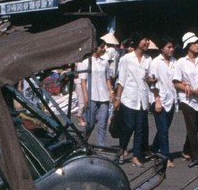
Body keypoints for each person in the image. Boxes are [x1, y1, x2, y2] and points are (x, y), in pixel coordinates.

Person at [113, 37, 152, 167]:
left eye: (148, 40)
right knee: (128, 126)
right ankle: (121, 150)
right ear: (137, 42)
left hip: (142, 98)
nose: (147, 42)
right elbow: (121, 80)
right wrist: (117, 98)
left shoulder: (148, 59)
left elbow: (149, 78)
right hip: (129, 98)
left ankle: (136, 156)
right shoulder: (126, 59)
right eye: (144, 40)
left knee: (140, 128)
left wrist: (152, 80)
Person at [174, 32, 198, 166]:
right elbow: (176, 82)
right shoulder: (181, 62)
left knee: (194, 126)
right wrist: (186, 88)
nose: (197, 45)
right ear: (188, 45)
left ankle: (186, 149)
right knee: (191, 127)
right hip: (187, 98)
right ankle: (196, 156)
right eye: (194, 43)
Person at [75, 38, 115, 148]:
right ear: (95, 48)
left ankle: (101, 147)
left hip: (104, 96)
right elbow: (83, 80)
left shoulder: (105, 62)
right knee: (91, 123)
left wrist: (111, 91)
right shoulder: (86, 62)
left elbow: (108, 79)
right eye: (101, 47)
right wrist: (85, 95)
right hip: (92, 95)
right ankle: (83, 141)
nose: (103, 49)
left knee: (102, 124)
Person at [148, 38, 178, 167]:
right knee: (164, 130)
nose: (171, 49)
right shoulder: (155, 62)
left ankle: (154, 149)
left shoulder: (174, 62)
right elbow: (152, 83)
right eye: (168, 47)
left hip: (172, 99)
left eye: (172, 47)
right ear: (162, 48)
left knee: (164, 128)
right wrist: (157, 101)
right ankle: (165, 157)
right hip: (159, 99)